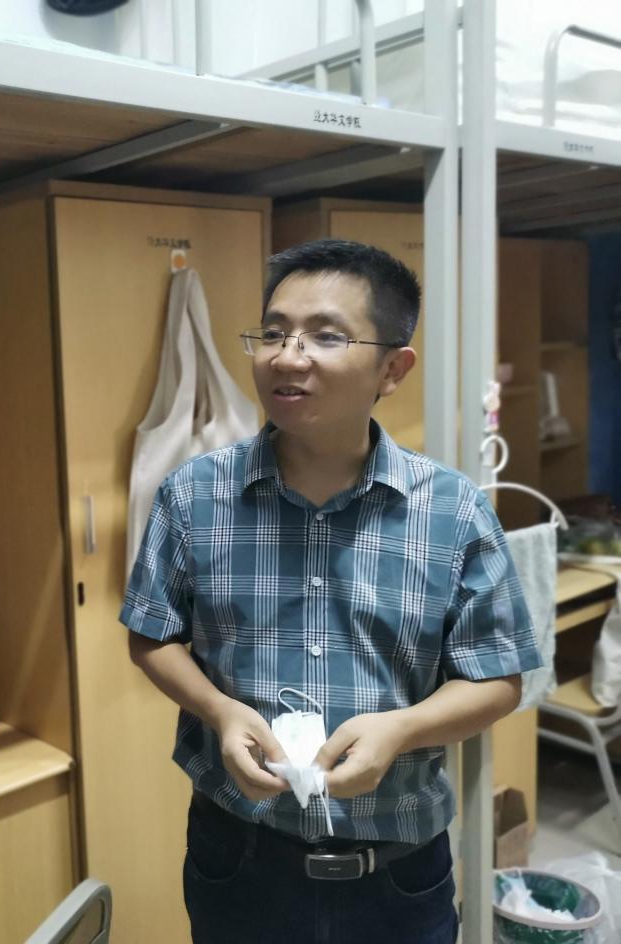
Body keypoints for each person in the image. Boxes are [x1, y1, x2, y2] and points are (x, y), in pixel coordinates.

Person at [121, 239, 540, 944]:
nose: (288, 357)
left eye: (325, 336)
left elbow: (498, 679)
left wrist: (401, 729)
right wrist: (218, 711)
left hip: (398, 872)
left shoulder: (453, 510)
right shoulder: (193, 496)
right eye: (273, 332)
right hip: (239, 859)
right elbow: (150, 636)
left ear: (392, 368)